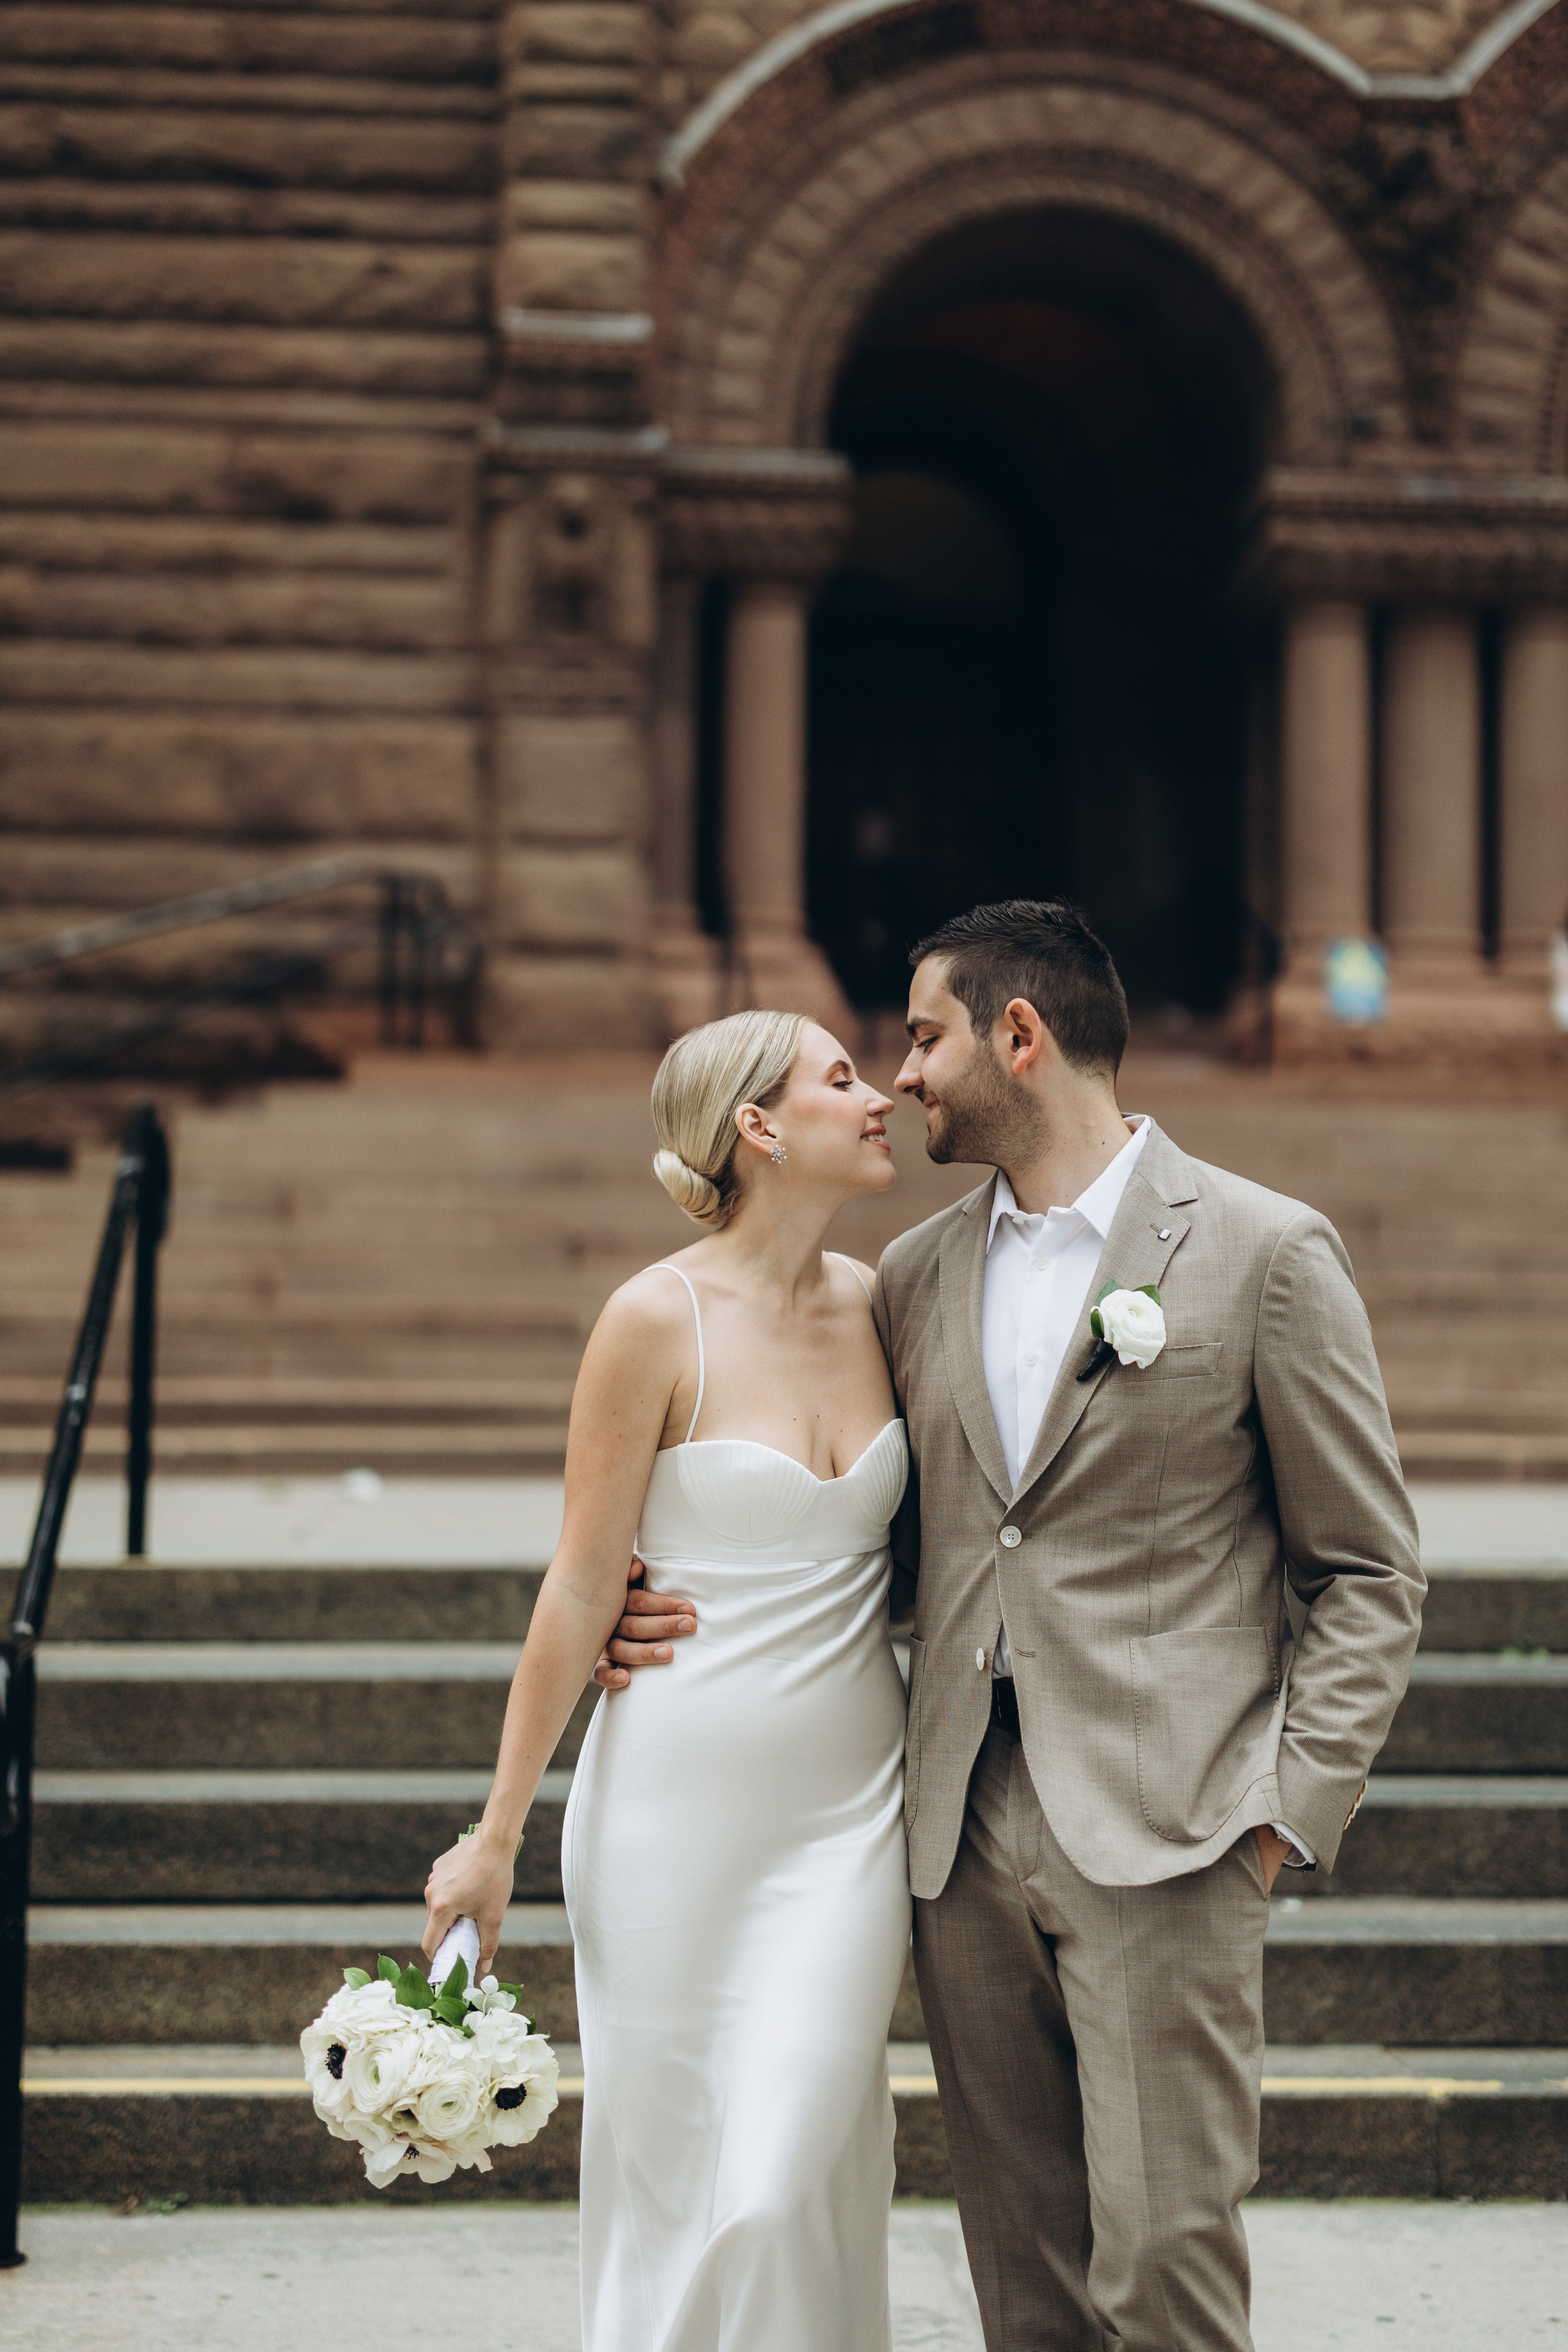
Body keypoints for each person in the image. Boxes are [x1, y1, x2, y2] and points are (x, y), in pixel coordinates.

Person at [600, 899, 1425, 2352]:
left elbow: (1363, 1569)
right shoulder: (909, 1277)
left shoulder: (1261, 1250)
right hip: (955, 1839)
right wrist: (677, 1596)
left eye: (922, 1038)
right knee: (1021, 2278)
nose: (900, 1075)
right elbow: (886, 1539)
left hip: (1169, 1832)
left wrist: (1286, 1810)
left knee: (1163, 2263)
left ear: (1019, 1038)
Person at [423, 1008, 913, 2352]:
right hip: (670, 1820)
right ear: (758, 1126)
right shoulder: (653, 1318)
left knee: (791, 2177)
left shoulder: (889, 1302)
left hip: (848, 1819)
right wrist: (493, 1838)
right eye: (839, 1078)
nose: (879, 1096)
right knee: (679, 2180)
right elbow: (582, 1584)